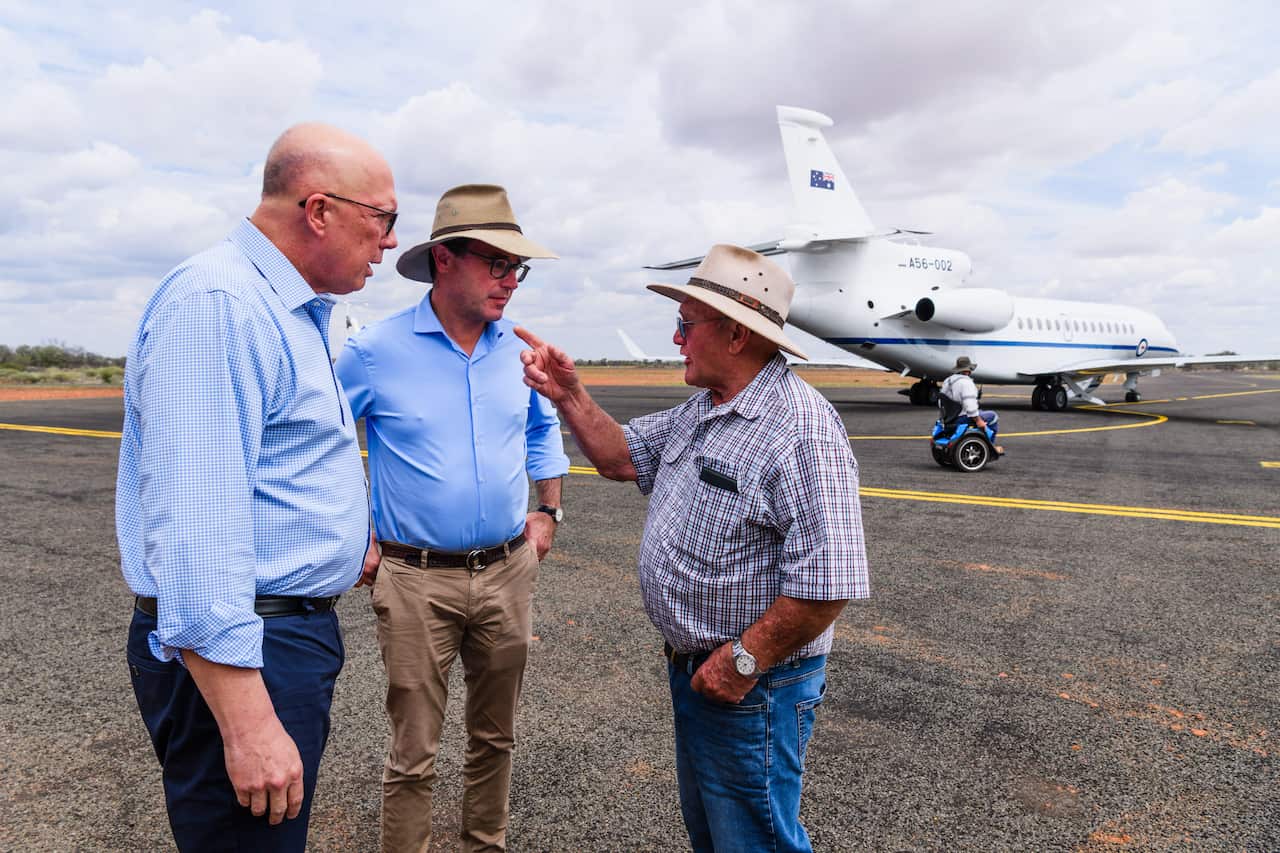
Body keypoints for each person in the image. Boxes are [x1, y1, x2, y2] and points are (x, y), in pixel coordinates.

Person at [516, 244, 870, 853]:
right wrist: (569, 395)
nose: (677, 340)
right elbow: (621, 456)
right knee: (717, 834)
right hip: (704, 671)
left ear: (734, 335)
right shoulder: (703, 411)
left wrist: (741, 662)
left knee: (754, 839)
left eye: (686, 325)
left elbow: (829, 583)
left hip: (753, 682)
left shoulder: (800, 429)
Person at [117, 123, 396, 851]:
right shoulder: (222, 305)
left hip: (278, 634)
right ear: (319, 209)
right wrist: (247, 721)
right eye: (383, 217)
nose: (390, 241)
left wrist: (337, 535)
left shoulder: (286, 310)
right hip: (246, 647)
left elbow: (276, 465)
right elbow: (195, 526)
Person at [334, 184, 569, 853]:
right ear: (444, 260)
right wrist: (356, 536)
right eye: (496, 263)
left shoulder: (517, 350)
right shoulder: (375, 350)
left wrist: (548, 508)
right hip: (414, 577)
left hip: (506, 569)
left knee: (497, 735)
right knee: (414, 748)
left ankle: (483, 843)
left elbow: (540, 429)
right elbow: (320, 444)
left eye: (516, 268)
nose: (510, 281)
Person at [940, 355, 1004, 454]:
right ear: (968, 370)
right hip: (961, 418)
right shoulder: (966, 383)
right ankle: (991, 446)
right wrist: (978, 420)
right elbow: (970, 405)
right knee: (993, 416)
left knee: (980, 412)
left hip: (949, 418)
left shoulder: (948, 381)